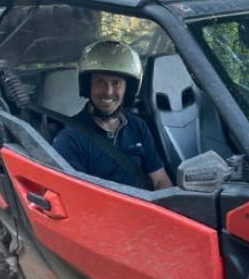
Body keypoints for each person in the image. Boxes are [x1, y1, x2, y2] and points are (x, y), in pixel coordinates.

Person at [53, 40, 173, 190]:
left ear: (128, 89)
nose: (108, 92)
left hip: (145, 203)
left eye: (116, 83)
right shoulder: (70, 138)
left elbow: (160, 179)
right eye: (100, 82)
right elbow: (75, 195)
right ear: (87, 85)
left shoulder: (137, 126)